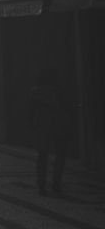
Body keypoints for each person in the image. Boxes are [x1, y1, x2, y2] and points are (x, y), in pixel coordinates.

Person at [30, 67, 67, 195]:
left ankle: (41, 185)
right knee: (60, 154)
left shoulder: (35, 92)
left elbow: (31, 111)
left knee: (42, 155)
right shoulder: (58, 91)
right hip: (58, 124)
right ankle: (56, 183)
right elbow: (63, 107)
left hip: (42, 126)